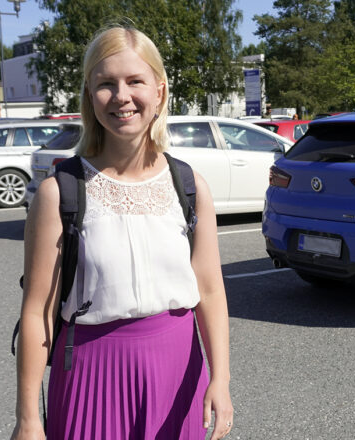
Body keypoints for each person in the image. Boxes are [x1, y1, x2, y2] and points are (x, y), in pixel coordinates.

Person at [12, 25, 233, 440]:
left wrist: (220, 379)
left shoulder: (189, 186)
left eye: (135, 81)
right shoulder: (59, 192)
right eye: (106, 84)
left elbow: (211, 290)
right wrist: (28, 419)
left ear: (160, 91)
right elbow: (37, 311)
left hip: (178, 370)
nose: (122, 96)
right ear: (89, 95)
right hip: (91, 374)